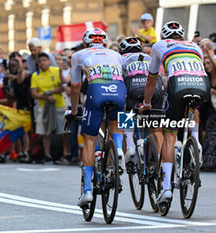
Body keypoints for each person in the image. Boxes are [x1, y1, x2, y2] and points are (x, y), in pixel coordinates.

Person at [140, 21, 209, 203]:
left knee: (170, 135)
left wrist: (147, 103)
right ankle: (195, 142)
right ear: (182, 36)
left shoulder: (159, 45)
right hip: (202, 84)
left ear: (164, 37)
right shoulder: (194, 45)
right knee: (192, 104)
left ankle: (167, 188)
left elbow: (151, 80)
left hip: (177, 84)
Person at [68, 28, 127, 206]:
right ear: (105, 43)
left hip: (96, 90)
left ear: (86, 43)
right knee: (116, 123)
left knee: (90, 139)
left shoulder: (78, 55)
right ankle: (118, 148)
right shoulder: (116, 54)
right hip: (119, 90)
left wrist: (73, 110)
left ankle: (87, 190)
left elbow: (75, 86)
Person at [119, 36, 165, 166]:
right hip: (155, 89)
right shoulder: (149, 57)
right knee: (156, 129)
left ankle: (130, 145)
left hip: (134, 88)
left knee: (127, 110)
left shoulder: (121, 58)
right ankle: (160, 160)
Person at [30, 53, 67, 164]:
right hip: (43, 106)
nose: (42, 63)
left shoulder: (56, 71)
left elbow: (63, 87)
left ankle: (66, 154)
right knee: (44, 132)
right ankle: (47, 155)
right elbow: (33, 93)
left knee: (63, 131)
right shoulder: (35, 75)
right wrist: (46, 97)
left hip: (59, 105)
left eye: (44, 60)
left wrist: (51, 92)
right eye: (40, 61)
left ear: (49, 61)